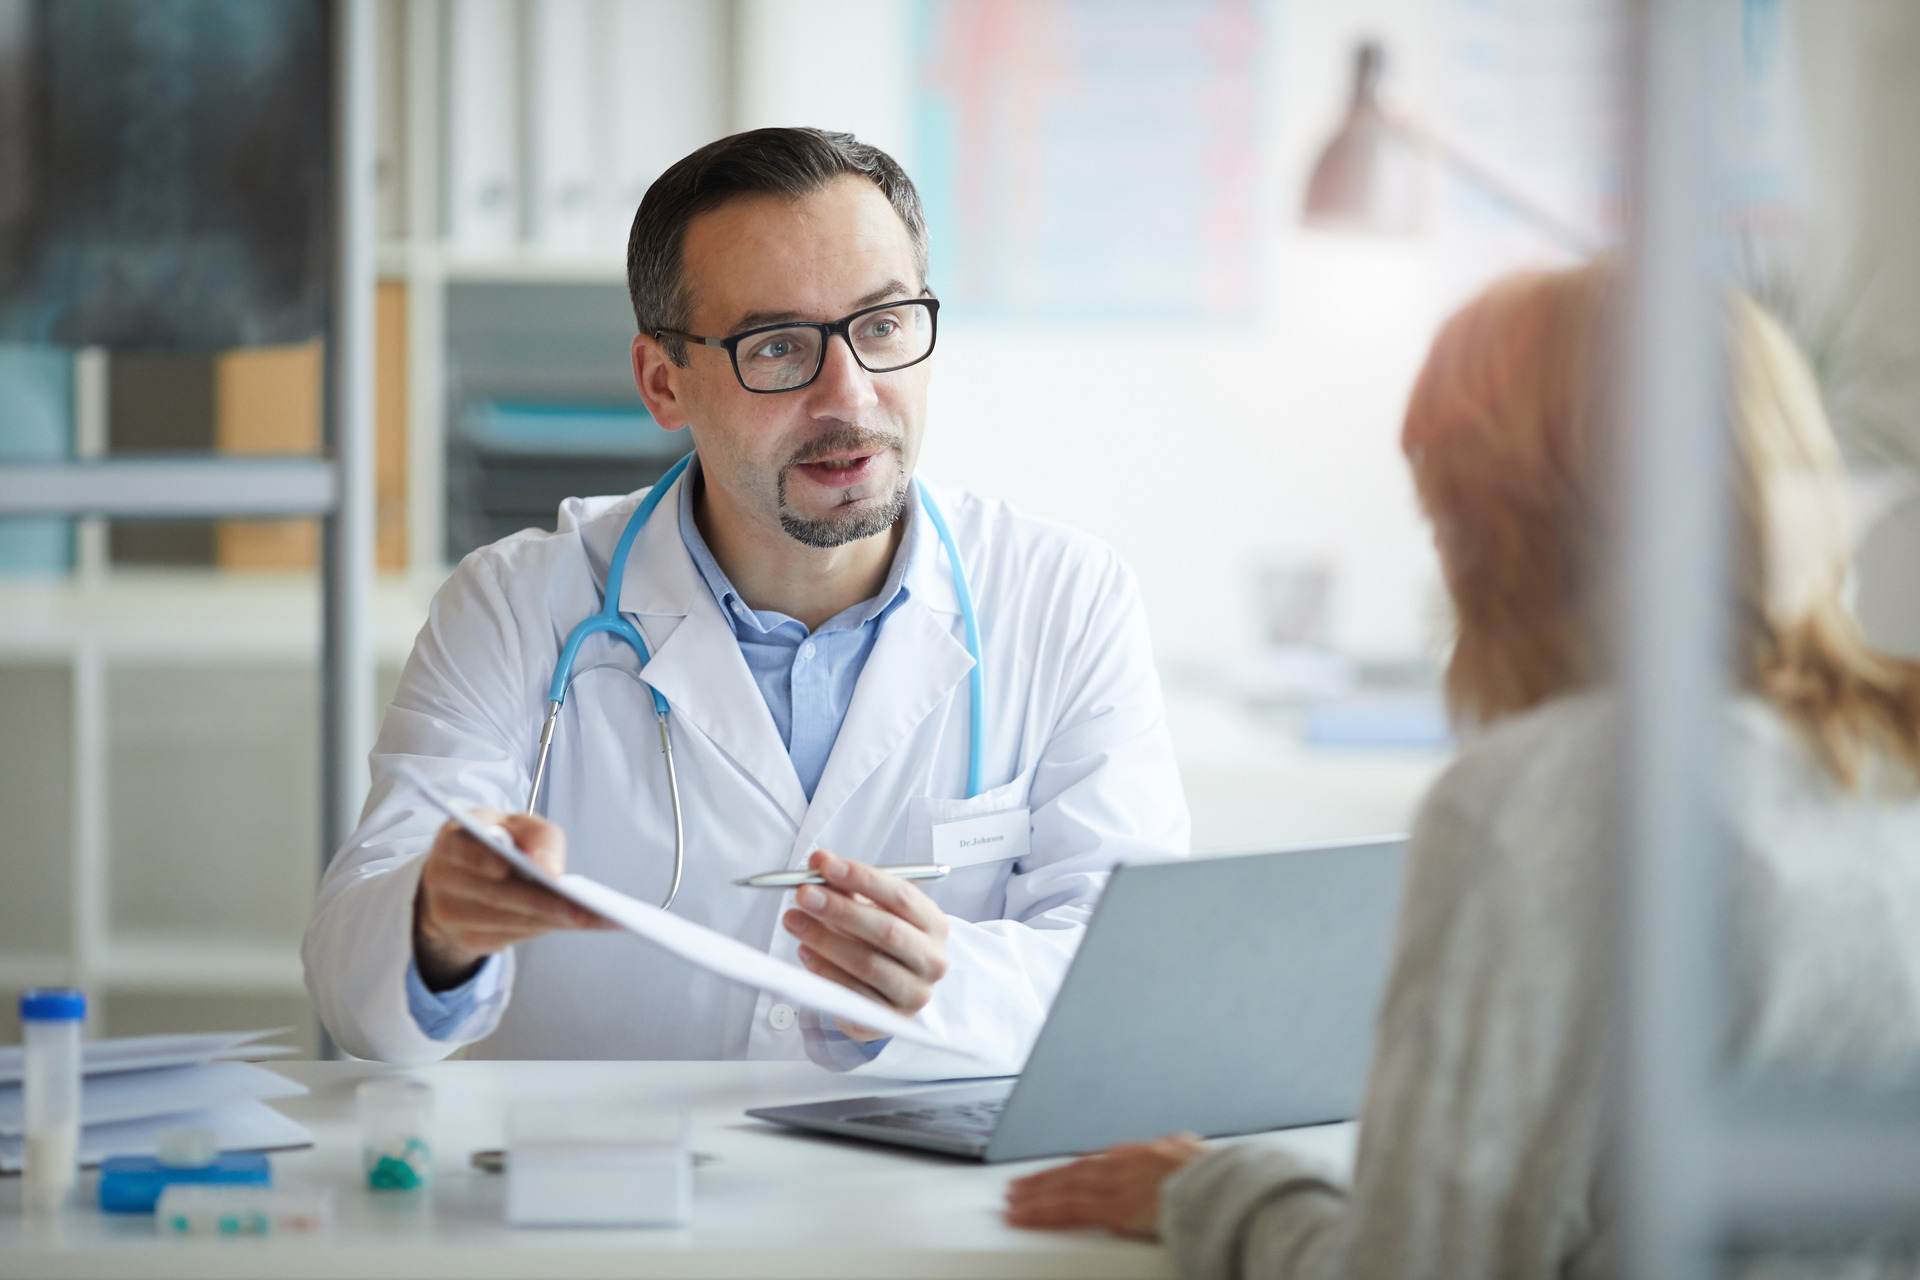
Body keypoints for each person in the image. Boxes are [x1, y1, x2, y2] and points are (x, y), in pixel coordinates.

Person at [1005, 264, 1920, 1274]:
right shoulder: (1886, 767)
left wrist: (1217, 1188)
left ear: (1503, 525)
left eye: (1441, 508)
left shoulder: (1546, 797)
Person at [302, 128, 1188, 1078]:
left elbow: (1130, 973)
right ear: (661, 381)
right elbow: (355, 984)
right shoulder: (517, 607)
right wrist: (435, 926)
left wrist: (937, 983)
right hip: (602, 1207)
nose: (850, 395)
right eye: (777, 348)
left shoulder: (1065, 597)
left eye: (882, 327)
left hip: (923, 1209)